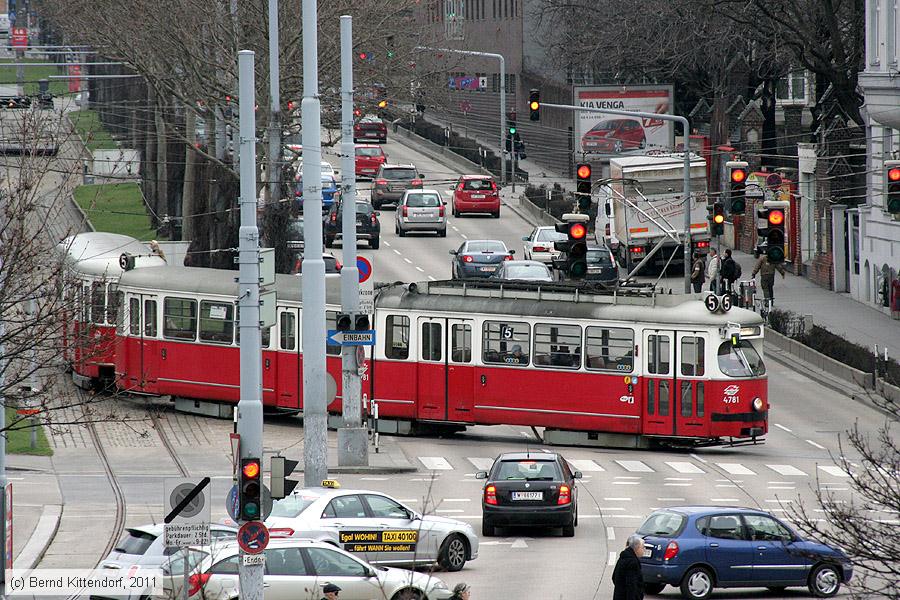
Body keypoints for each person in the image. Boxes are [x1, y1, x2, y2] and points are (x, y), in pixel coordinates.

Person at [612, 534, 645, 600]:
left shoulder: (623, 557)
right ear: (637, 548)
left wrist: (620, 588)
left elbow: (614, 577)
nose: (644, 549)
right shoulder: (633, 563)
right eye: (643, 547)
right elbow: (631, 586)